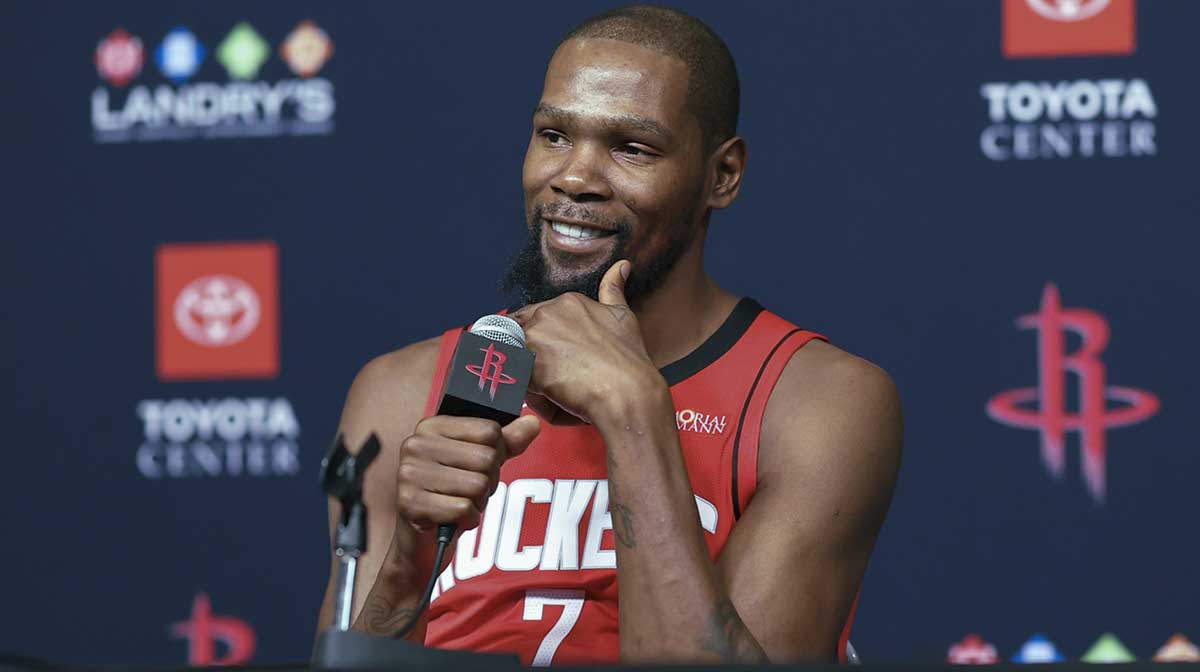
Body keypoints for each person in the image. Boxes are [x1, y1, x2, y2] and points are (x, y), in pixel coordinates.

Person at [317, 5, 901, 665]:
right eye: (554, 135)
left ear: (722, 175)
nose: (574, 178)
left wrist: (631, 408)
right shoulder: (400, 391)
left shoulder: (817, 403)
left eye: (632, 147)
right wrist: (411, 558)